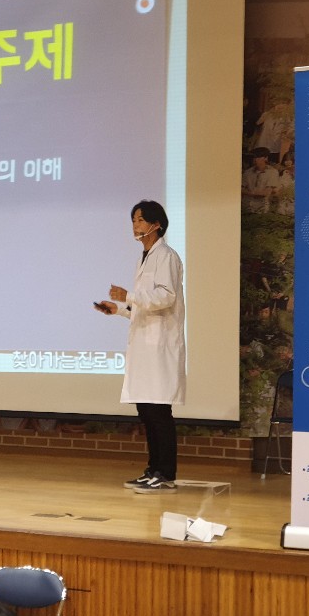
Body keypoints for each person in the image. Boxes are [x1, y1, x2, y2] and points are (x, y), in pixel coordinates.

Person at [95, 200, 186, 493]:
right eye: (133, 220)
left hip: (160, 346)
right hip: (145, 346)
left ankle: (166, 474)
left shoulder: (166, 256)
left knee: (159, 413)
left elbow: (165, 297)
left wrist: (129, 296)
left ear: (156, 224)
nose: (135, 225)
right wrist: (119, 309)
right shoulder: (144, 258)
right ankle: (153, 469)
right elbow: (144, 307)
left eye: (140, 220)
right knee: (146, 411)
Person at [241, 146, 280, 213]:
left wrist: (250, 192)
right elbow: (240, 189)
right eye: (254, 157)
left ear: (266, 158)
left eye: (258, 157)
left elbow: (267, 192)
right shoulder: (248, 172)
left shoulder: (272, 172)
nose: (255, 160)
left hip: (262, 208)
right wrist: (253, 193)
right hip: (246, 206)